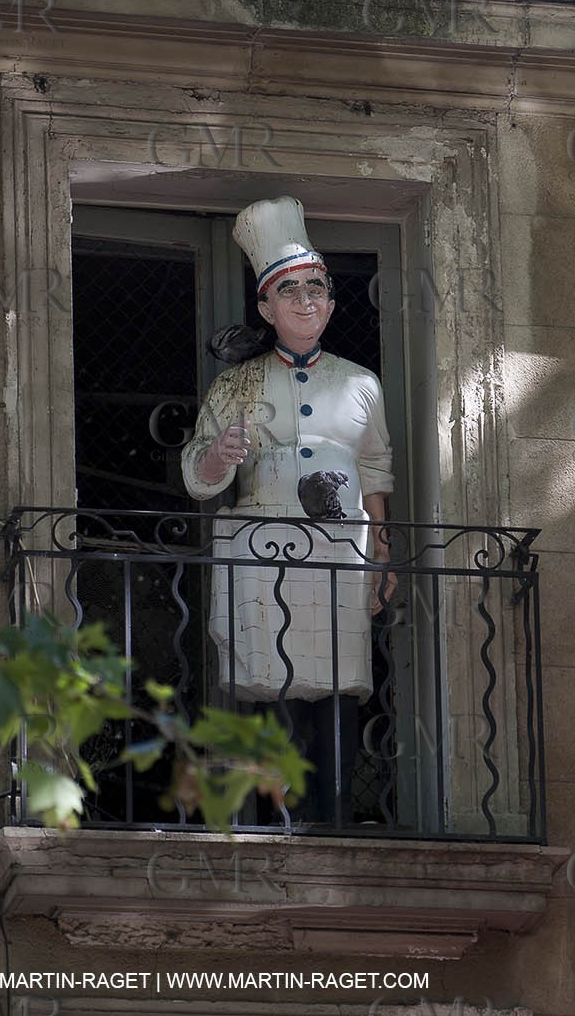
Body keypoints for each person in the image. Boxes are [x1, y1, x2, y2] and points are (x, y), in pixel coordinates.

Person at [181, 195, 395, 824]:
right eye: (290, 291)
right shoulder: (236, 384)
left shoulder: (361, 383)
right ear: (266, 307)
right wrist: (220, 455)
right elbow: (196, 473)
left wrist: (383, 555)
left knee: (336, 690)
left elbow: (376, 468)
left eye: (317, 289)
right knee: (273, 687)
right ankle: (275, 821)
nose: (306, 301)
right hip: (263, 553)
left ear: (331, 302)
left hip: (339, 552)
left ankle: (330, 818)